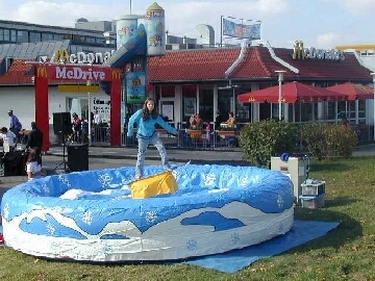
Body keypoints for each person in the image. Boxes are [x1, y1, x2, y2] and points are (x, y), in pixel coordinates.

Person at [127, 97, 177, 179]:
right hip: (142, 137)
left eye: (152, 104)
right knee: (141, 154)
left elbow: (164, 124)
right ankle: (139, 173)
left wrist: (173, 131)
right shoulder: (140, 113)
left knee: (161, 148)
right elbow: (131, 120)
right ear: (146, 105)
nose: (151, 106)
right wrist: (130, 131)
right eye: (149, 104)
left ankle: (166, 166)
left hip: (152, 135)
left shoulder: (155, 116)